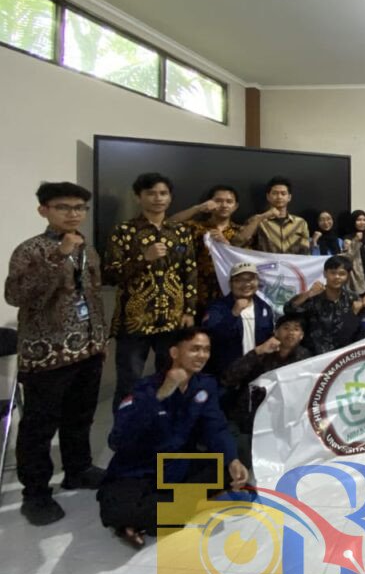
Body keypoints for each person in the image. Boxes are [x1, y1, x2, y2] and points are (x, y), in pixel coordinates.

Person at [5, 181, 108, 526]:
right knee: (39, 426)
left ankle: (78, 470)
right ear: (44, 210)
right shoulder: (30, 249)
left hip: (87, 350)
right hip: (47, 354)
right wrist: (58, 256)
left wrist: (100, 340)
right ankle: (35, 493)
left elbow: (91, 296)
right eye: (64, 207)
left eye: (79, 208)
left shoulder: (86, 247)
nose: (73, 214)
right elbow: (16, 295)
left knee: (80, 417)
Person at [97, 328, 249, 548]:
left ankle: (153, 518)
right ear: (175, 352)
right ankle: (172, 511)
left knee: (232, 462)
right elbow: (118, 439)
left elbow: (215, 427)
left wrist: (232, 460)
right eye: (195, 349)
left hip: (177, 465)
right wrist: (162, 394)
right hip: (139, 468)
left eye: (206, 350)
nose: (202, 355)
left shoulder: (204, 385)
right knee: (117, 510)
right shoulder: (144, 388)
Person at [104, 172, 196, 409]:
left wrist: (189, 310)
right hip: (134, 320)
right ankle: (127, 429)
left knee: (171, 378)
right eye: (151, 193)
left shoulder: (181, 231)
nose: (158, 198)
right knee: (129, 382)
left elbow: (189, 272)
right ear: (138, 197)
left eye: (163, 193)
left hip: (172, 318)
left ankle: (165, 426)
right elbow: (110, 274)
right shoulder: (123, 231)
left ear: (170, 197)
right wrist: (143, 259)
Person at [222, 314, 311, 471]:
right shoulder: (262, 352)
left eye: (296, 329)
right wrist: (258, 351)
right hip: (249, 420)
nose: (291, 333)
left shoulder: (305, 357)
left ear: (302, 335)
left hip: (282, 424)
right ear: (276, 332)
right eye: (286, 328)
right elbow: (229, 377)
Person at [168, 184, 245, 317]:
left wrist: (227, 245)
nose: (224, 205)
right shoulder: (196, 228)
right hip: (196, 293)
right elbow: (169, 224)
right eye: (218, 201)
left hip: (229, 294)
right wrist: (198, 208)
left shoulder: (241, 232)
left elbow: (247, 262)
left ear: (235, 206)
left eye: (229, 201)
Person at [201, 263, 275, 377]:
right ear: (230, 283)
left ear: (257, 282)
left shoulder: (264, 308)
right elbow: (211, 336)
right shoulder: (217, 307)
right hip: (226, 374)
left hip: (256, 373)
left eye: (250, 279)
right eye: (240, 280)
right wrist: (233, 314)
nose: (246, 284)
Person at [283, 255, 364, 355]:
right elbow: (288, 310)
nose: (337, 277)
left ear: (348, 276)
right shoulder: (313, 296)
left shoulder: (353, 299)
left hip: (342, 356)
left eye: (342, 274)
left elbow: (358, 329)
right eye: (333, 273)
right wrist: (308, 294)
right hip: (314, 356)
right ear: (325, 274)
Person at [234, 176, 309, 254]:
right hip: (265, 261)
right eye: (275, 193)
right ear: (268, 196)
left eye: (283, 193)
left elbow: (306, 252)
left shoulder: (300, 223)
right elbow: (237, 242)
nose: (279, 197)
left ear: (289, 197)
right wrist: (262, 217)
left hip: (292, 262)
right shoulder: (257, 220)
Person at [343, 209, 365, 296]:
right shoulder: (348, 239)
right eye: (359, 220)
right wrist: (356, 240)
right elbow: (346, 258)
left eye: (364, 220)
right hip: (356, 281)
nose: (362, 222)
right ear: (353, 221)